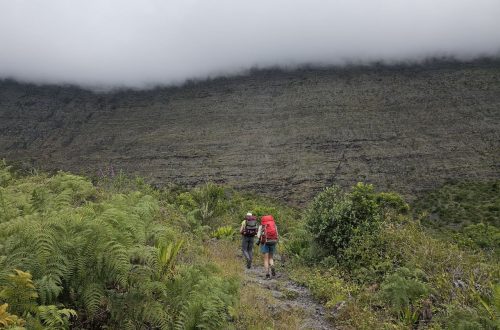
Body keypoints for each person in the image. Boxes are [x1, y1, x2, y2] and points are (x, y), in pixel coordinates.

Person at [257, 214, 279, 279]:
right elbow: (277, 234)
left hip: (265, 243)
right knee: (271, 258)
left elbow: (258, 236)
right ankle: (272, 265)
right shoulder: (274, 225)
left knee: (266, 259)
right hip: (273, 242)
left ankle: (267, 274)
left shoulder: (262, 226)